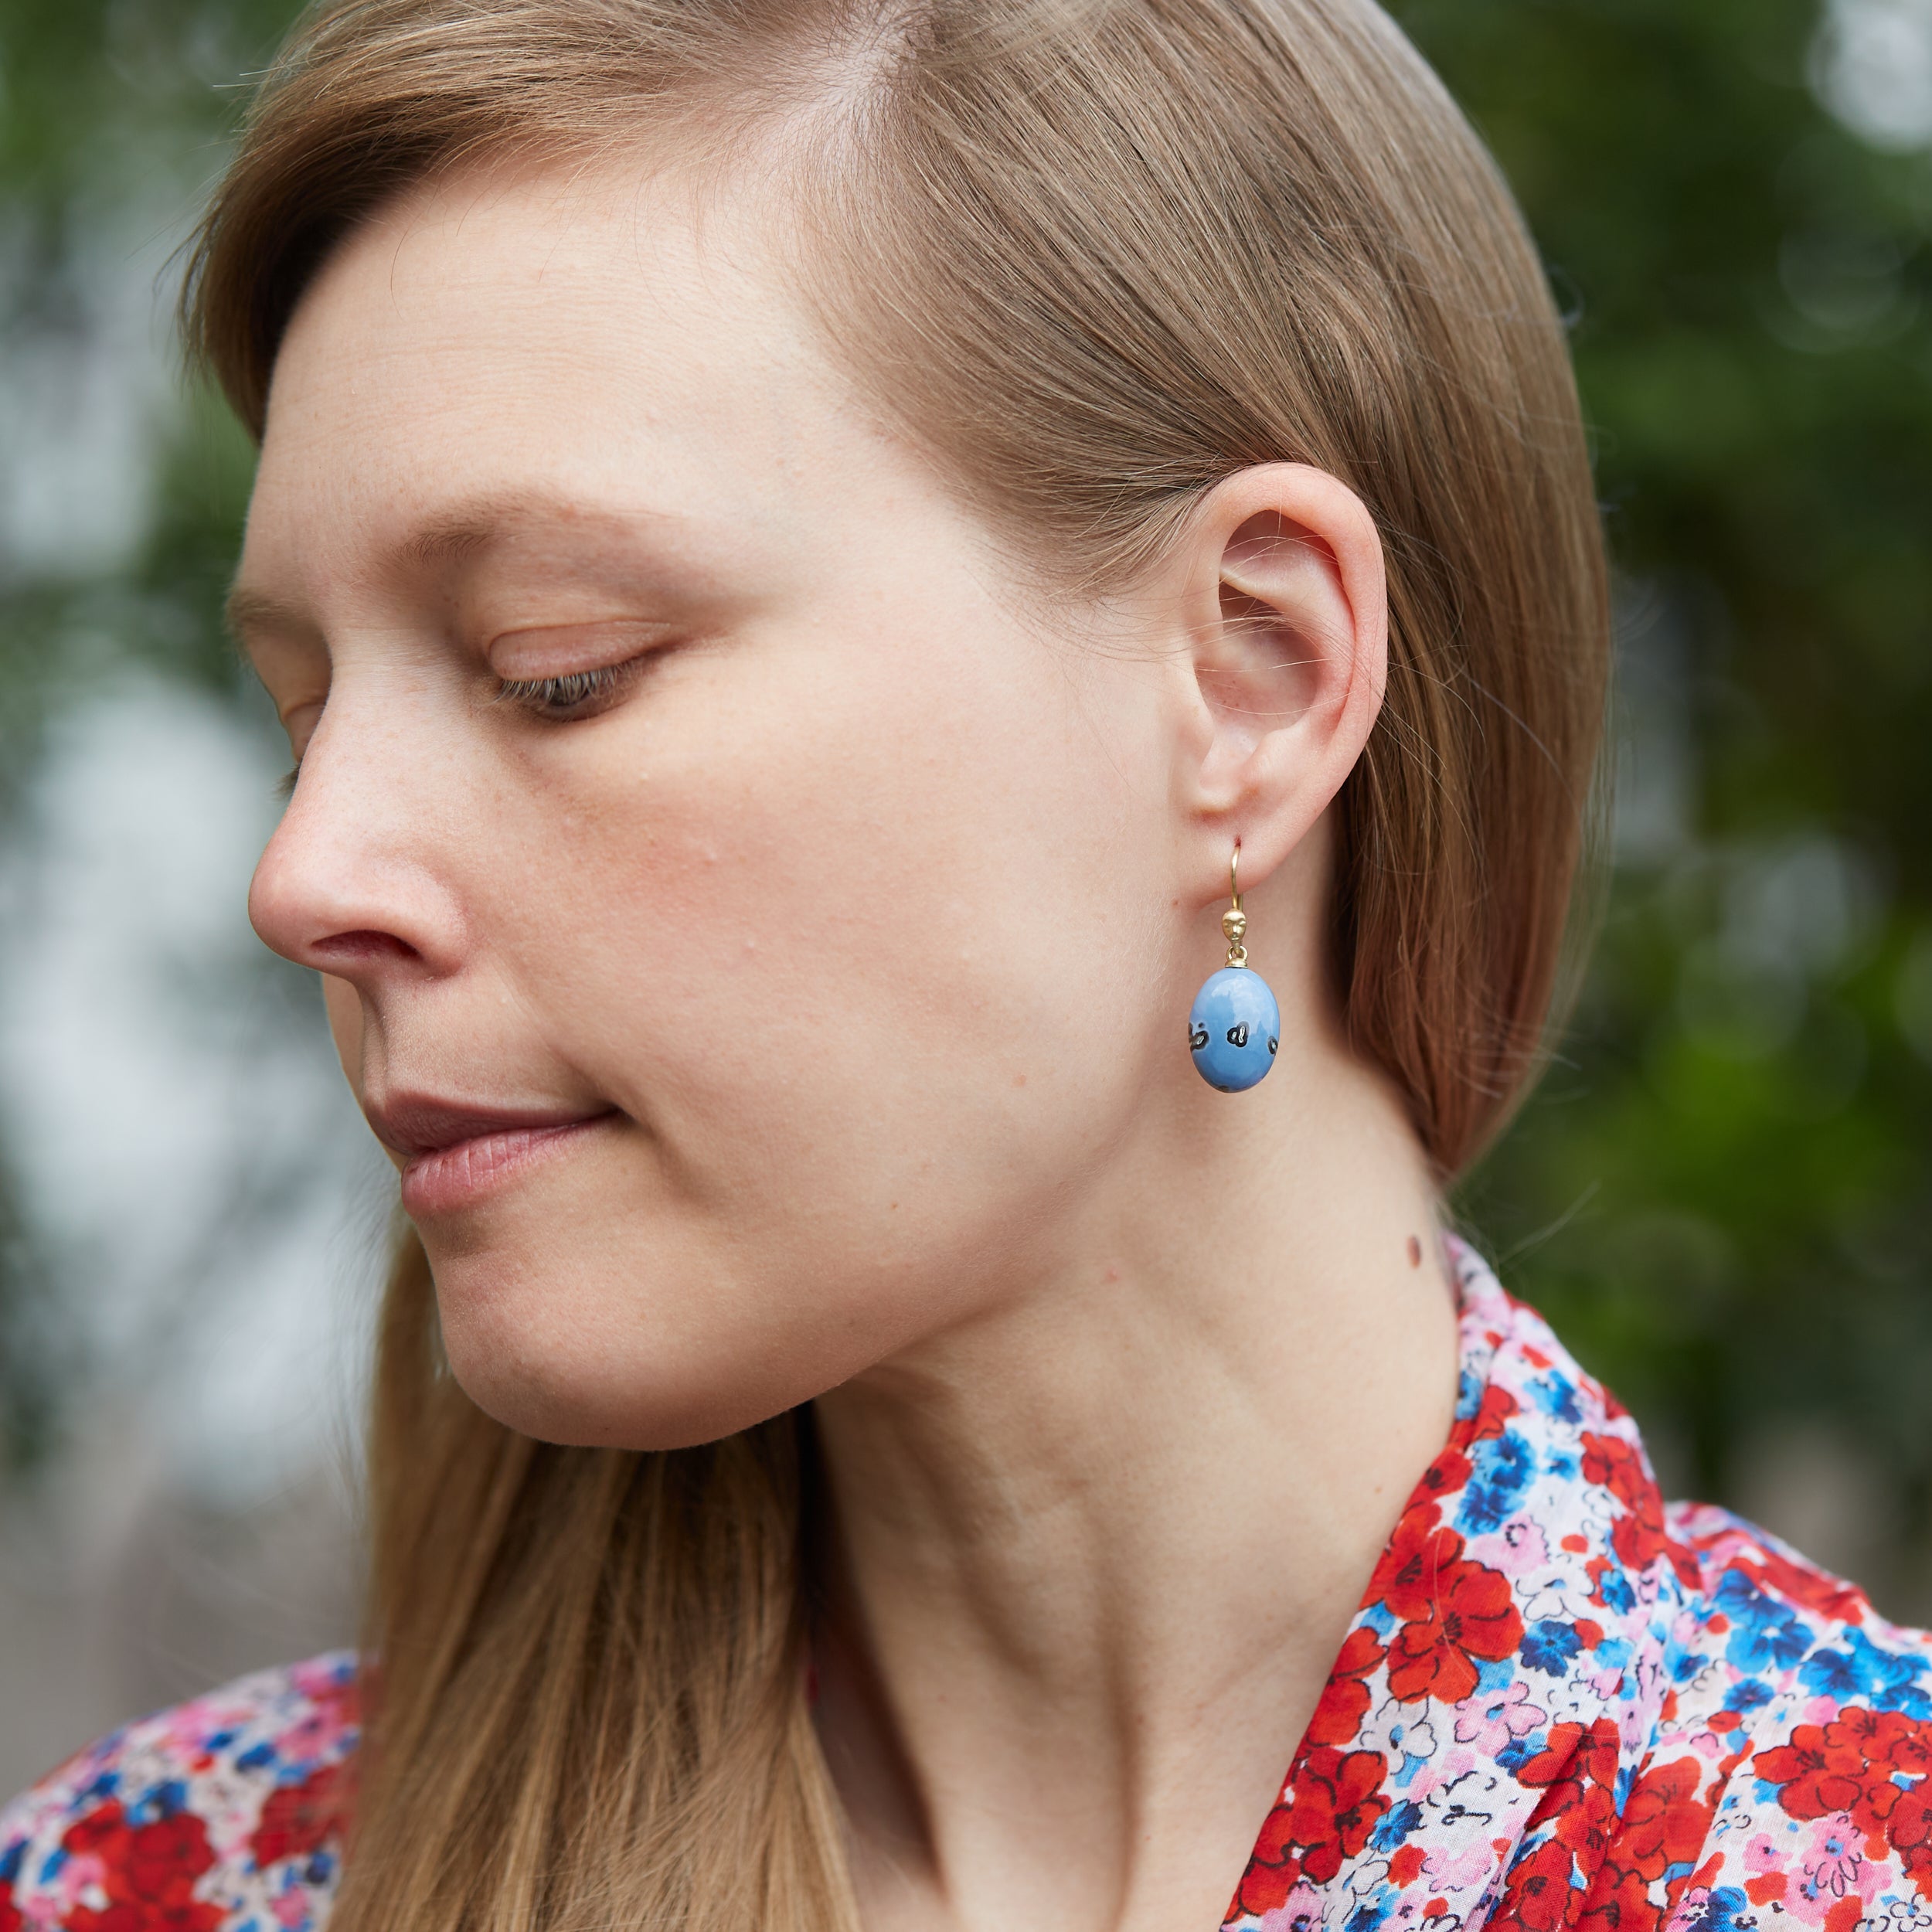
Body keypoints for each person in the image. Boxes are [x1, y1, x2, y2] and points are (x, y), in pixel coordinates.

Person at [4, 2, 1927, 1929]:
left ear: (1246, 679)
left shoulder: (1829, 1869)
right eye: (301, 715)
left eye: (552, 665)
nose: (304, 872)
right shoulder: (159, 1886)